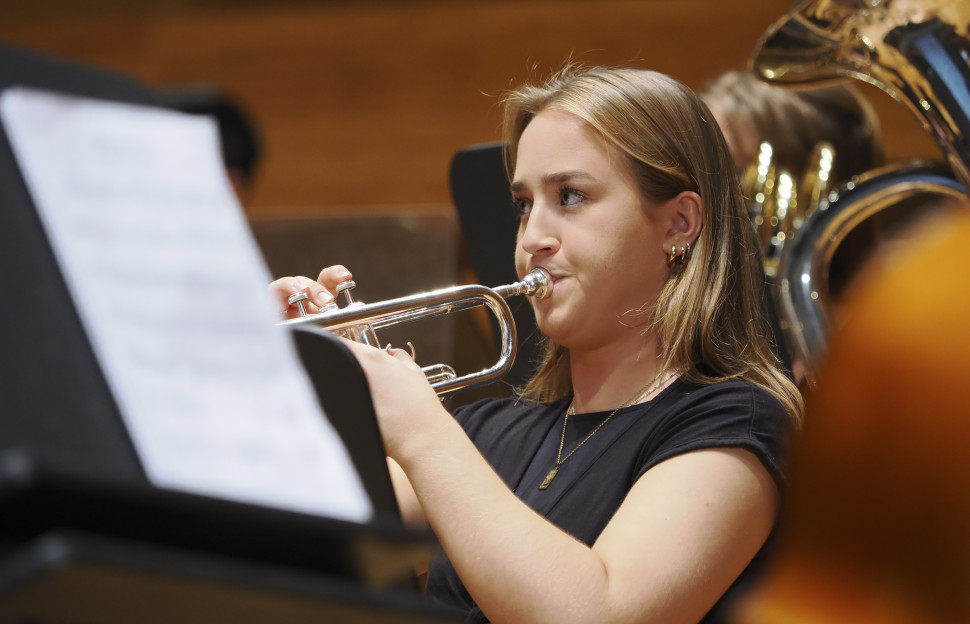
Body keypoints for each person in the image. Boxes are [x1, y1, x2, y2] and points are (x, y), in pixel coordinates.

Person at [271, 65, 802, 624]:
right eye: (525, 204)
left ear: (678, 224)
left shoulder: (737, 424)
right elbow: (288, 535)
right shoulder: (489, 431)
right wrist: (293, 378)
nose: (531, 238)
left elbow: (601, 613)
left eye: (570, 196)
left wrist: (420, 430)